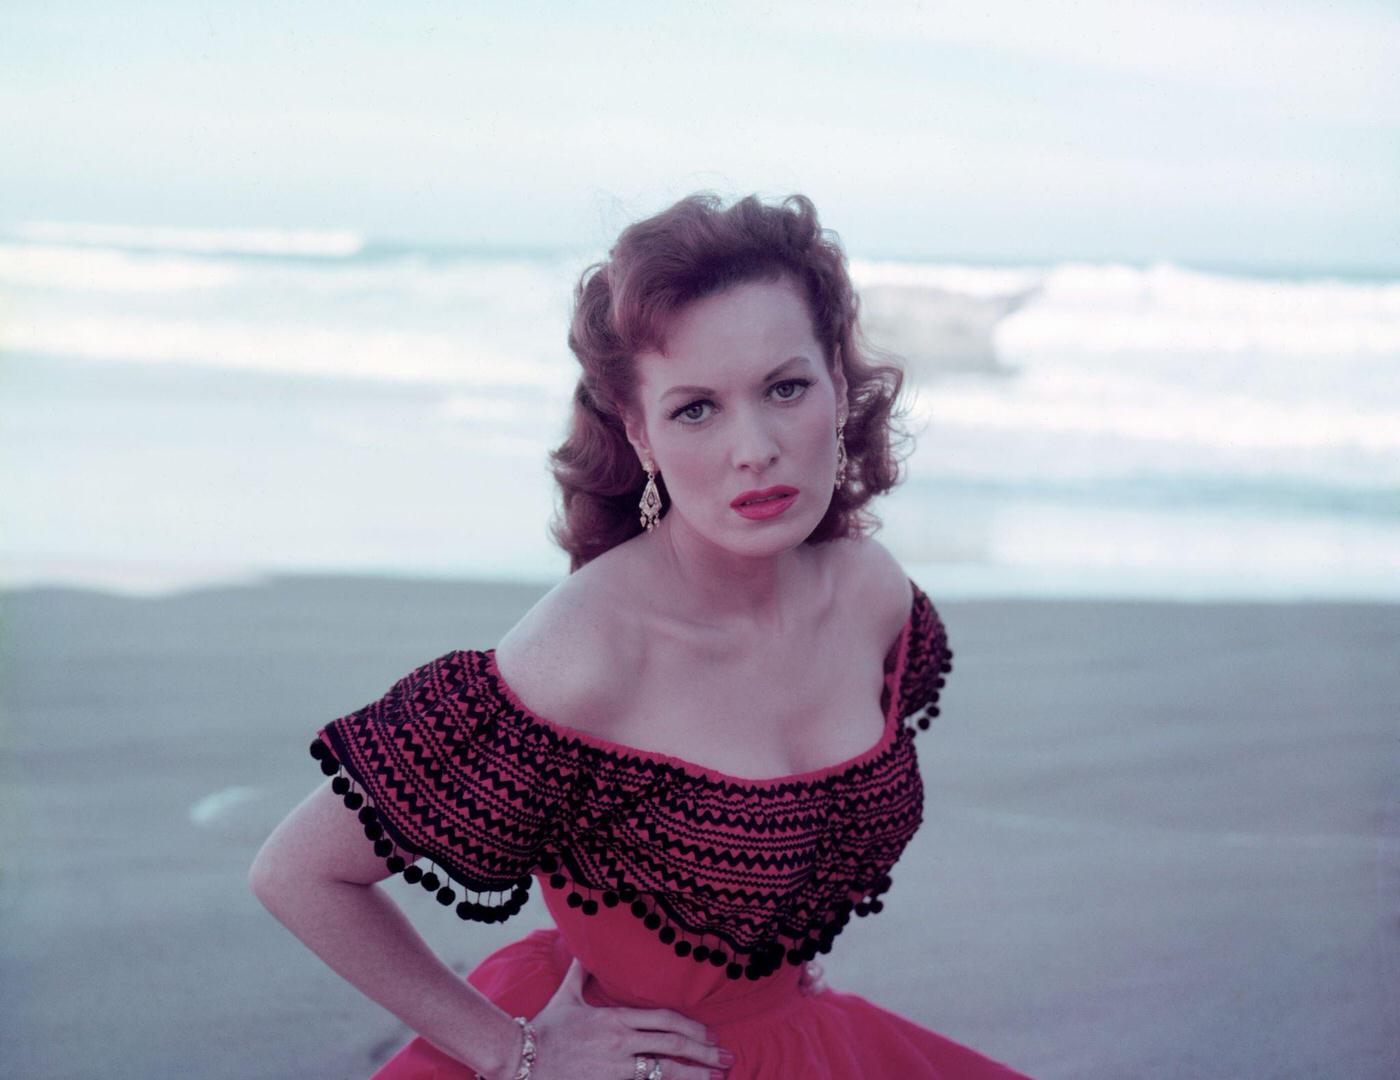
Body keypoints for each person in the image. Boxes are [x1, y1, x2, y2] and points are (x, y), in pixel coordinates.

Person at [249, 193, 1030, 1080]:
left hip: (802, 1047)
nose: (756, 448)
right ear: (641, 433)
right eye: (697, 408)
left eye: (786, 387)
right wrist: (515, 1052)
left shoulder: (873, 594)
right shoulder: (586, 648)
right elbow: (297, 872)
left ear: (839, 389)